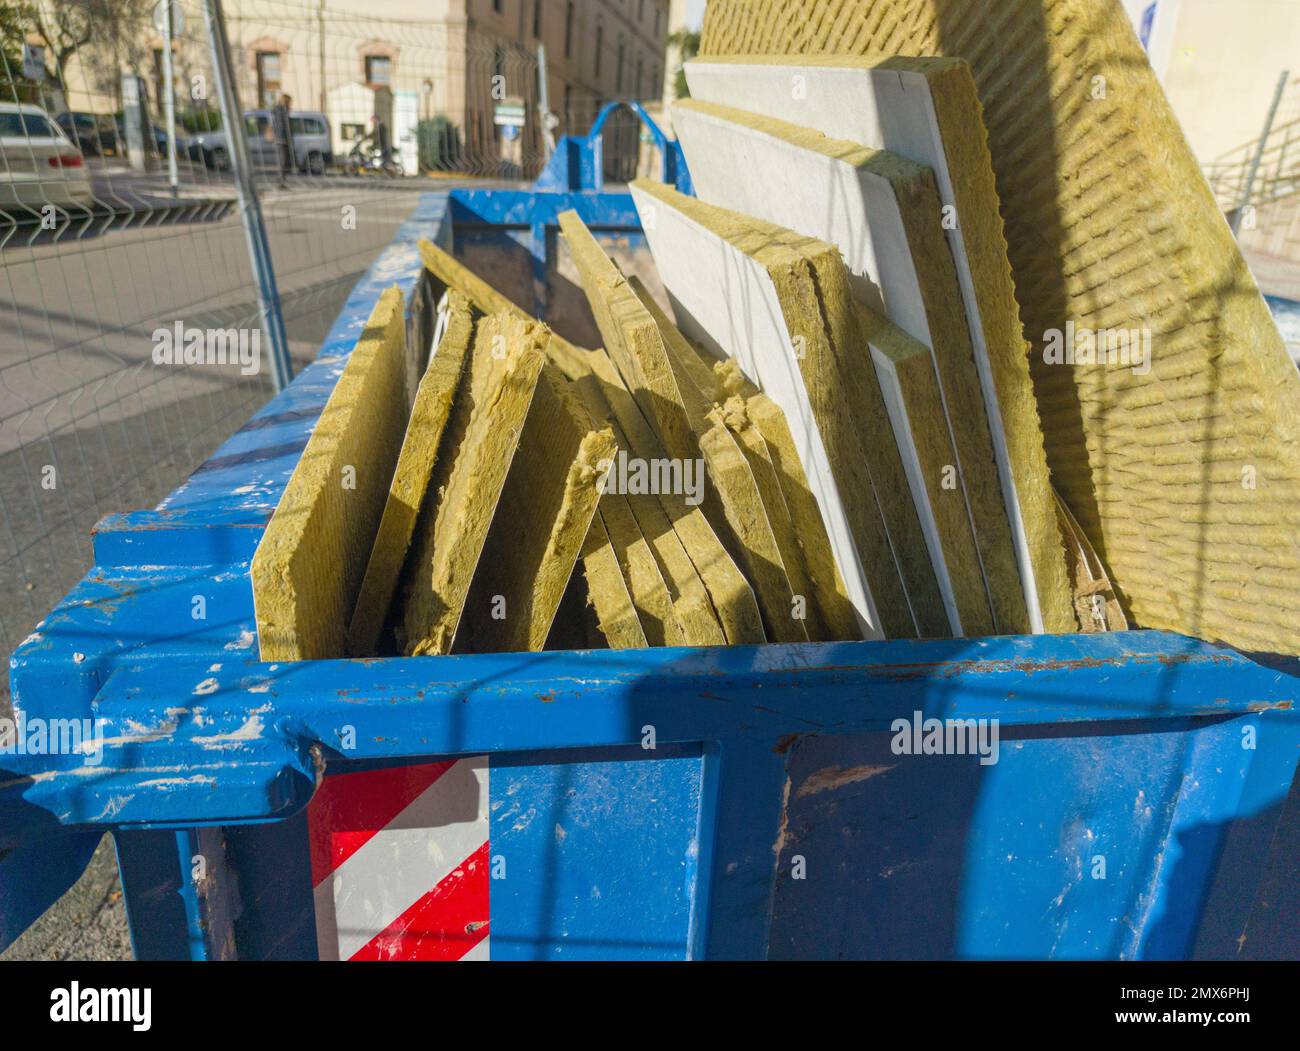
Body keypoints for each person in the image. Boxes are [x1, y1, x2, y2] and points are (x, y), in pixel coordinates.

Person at [270, 93, 295, 189]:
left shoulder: (280, 110)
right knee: (283, 160)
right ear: (286, 101)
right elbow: (282, 127)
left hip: (282, 139)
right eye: (290, 102)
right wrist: (286, 138)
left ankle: (281, 179)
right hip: (282, 139)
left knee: (284, 160)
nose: (291, 104)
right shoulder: (281, 111)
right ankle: (281, 181)